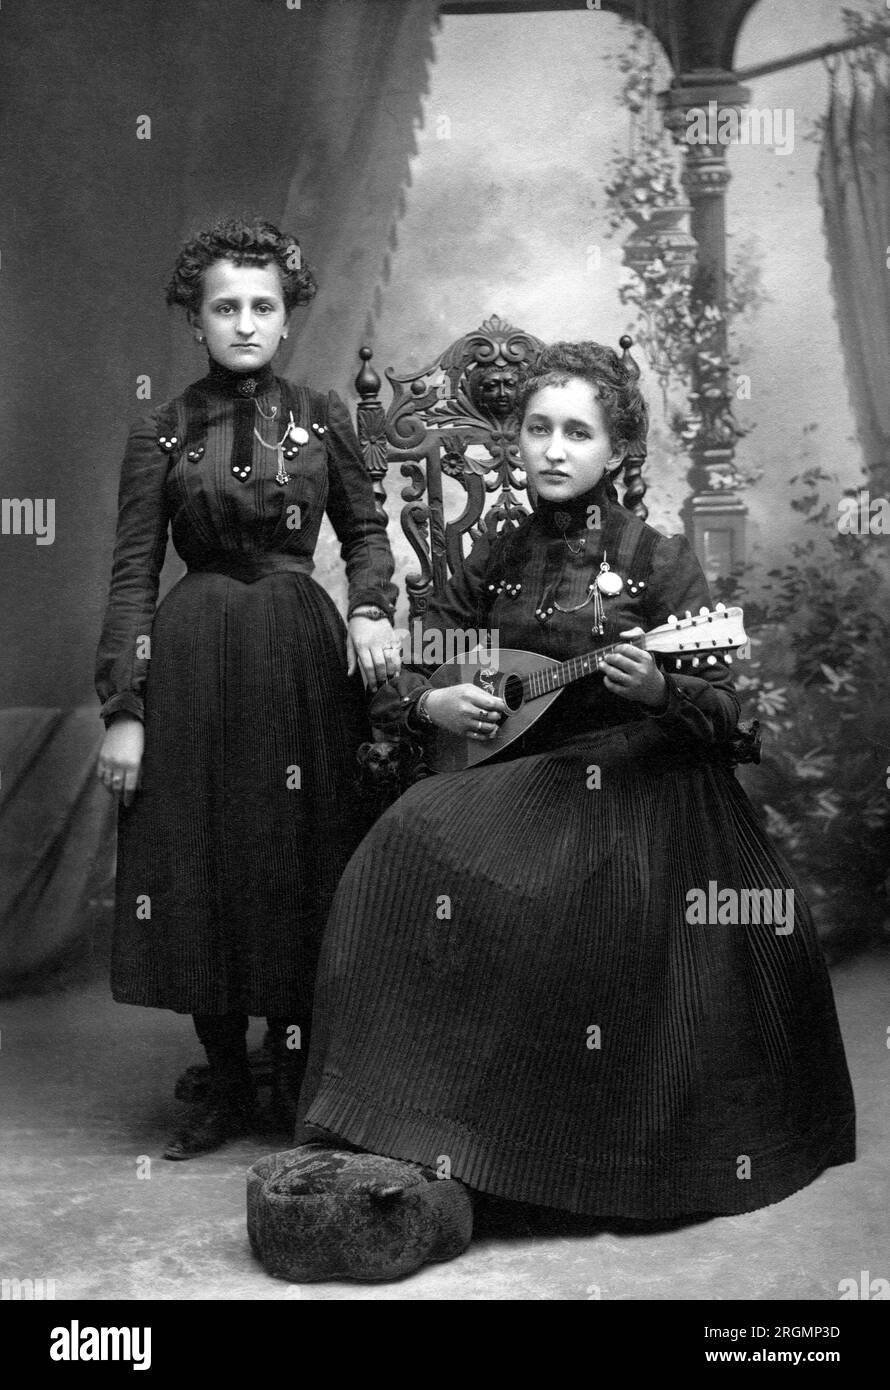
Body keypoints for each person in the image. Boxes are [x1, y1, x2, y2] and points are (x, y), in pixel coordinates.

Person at [294, 341, 855, 1227]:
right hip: (522, 773)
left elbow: (728, 710)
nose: (555, 449)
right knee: (399, 845)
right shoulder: (493, 555)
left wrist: (661, 688)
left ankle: (545, 1152)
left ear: (617, 454)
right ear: (517, 440)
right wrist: (435, 698)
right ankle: (405, 1118)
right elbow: (426, 651)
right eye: (539, 429)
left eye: (578, 433)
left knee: (572, 897)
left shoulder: (659, 560)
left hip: (641, 780)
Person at [95, 217, 399, 1160]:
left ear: (287, 316)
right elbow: (133, 576)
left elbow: (365, 535)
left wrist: (371, 610)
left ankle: (295, 1070)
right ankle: (224, 1079)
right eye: (224, 306)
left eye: (262, 305)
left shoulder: (323, 419)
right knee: (202, 860)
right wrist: (125, 713)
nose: (244, 322)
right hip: (191, 662)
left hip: (300, 655)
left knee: (298, 855)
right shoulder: (160, 430)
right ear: (196, 320)